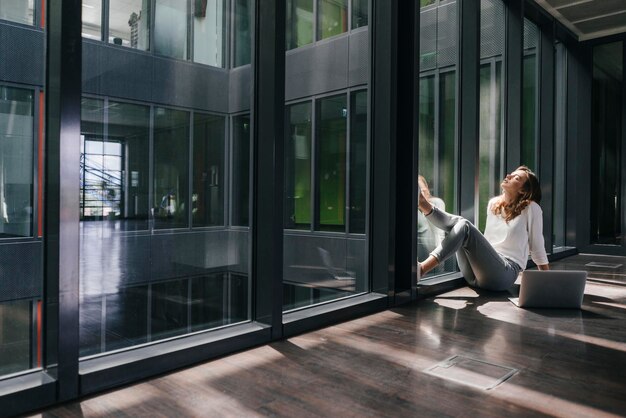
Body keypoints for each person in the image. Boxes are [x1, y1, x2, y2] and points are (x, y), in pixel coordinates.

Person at [417, 166, 549, 291]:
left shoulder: (531, 208)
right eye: (511, 173)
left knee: (464, 225)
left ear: (523, 190)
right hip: (477, 274)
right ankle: (422, 203)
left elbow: (537, 248)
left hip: (504, 273)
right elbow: (487, 244)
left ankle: (421, 269)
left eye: (516, 178)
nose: (509, 175)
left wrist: (548, 283)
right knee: (458, 224)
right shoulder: (494, 204)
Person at [417, 175, 446, 264]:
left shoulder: (436, 203)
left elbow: (436, 244)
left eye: (423, 191)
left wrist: (423, 206)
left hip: (433, 261)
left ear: (427, 190)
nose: (420, 196)